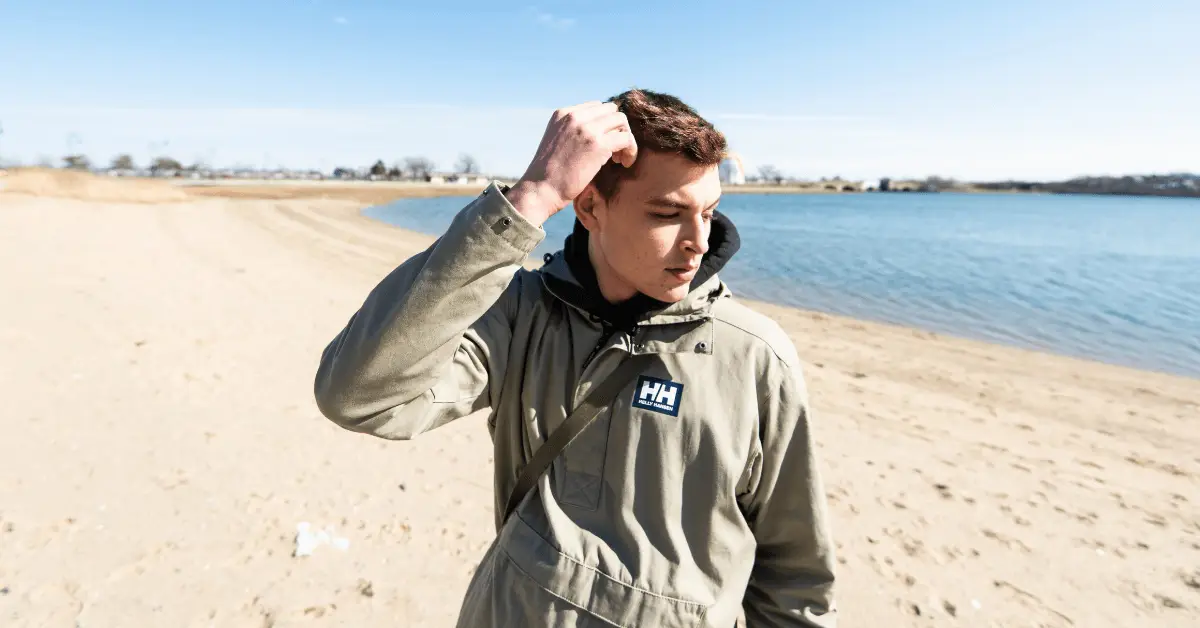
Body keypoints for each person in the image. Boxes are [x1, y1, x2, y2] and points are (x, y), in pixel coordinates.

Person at [314, 89, 837, 627]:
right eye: (668, 213)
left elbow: (795, 578)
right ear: (589, 206)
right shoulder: (521, 315)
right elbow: (358, 397)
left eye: (710, 211)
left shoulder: (753, 354)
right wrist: (532, 196)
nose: (698, 241)